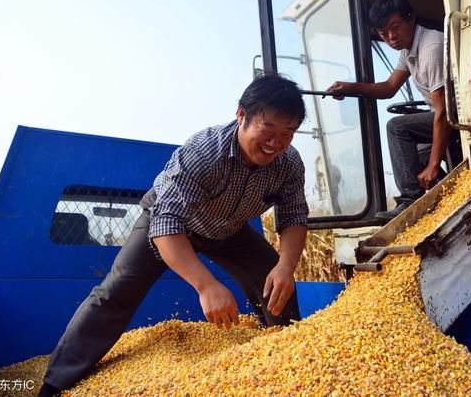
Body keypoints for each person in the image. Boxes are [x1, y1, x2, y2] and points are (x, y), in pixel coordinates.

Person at [38, 74, 309, 396]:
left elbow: (294, 217)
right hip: (166, 226)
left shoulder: (288, 163)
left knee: (276, 282)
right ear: (241, 116)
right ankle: (56, 383)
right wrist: (206, 284)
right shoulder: (204, 152)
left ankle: (286, 361)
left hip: (228, 229)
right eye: (268, 128)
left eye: (288, 133)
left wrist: (285, 266)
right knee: (115, 291)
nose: (276, 142)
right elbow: (167, 223)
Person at [327, 0, 453, 220]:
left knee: (398, 127)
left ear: (410, 19)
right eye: (383, 33)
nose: (391, 37)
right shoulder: (408, 50)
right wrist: (350, 87)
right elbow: (389, 87)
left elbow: (443, 110)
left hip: (459, 115)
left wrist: (434, 164)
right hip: (444, 114)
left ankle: (409, 200)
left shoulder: (431, 47)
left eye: (395, 27)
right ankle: (447, 196)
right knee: (415, 159)